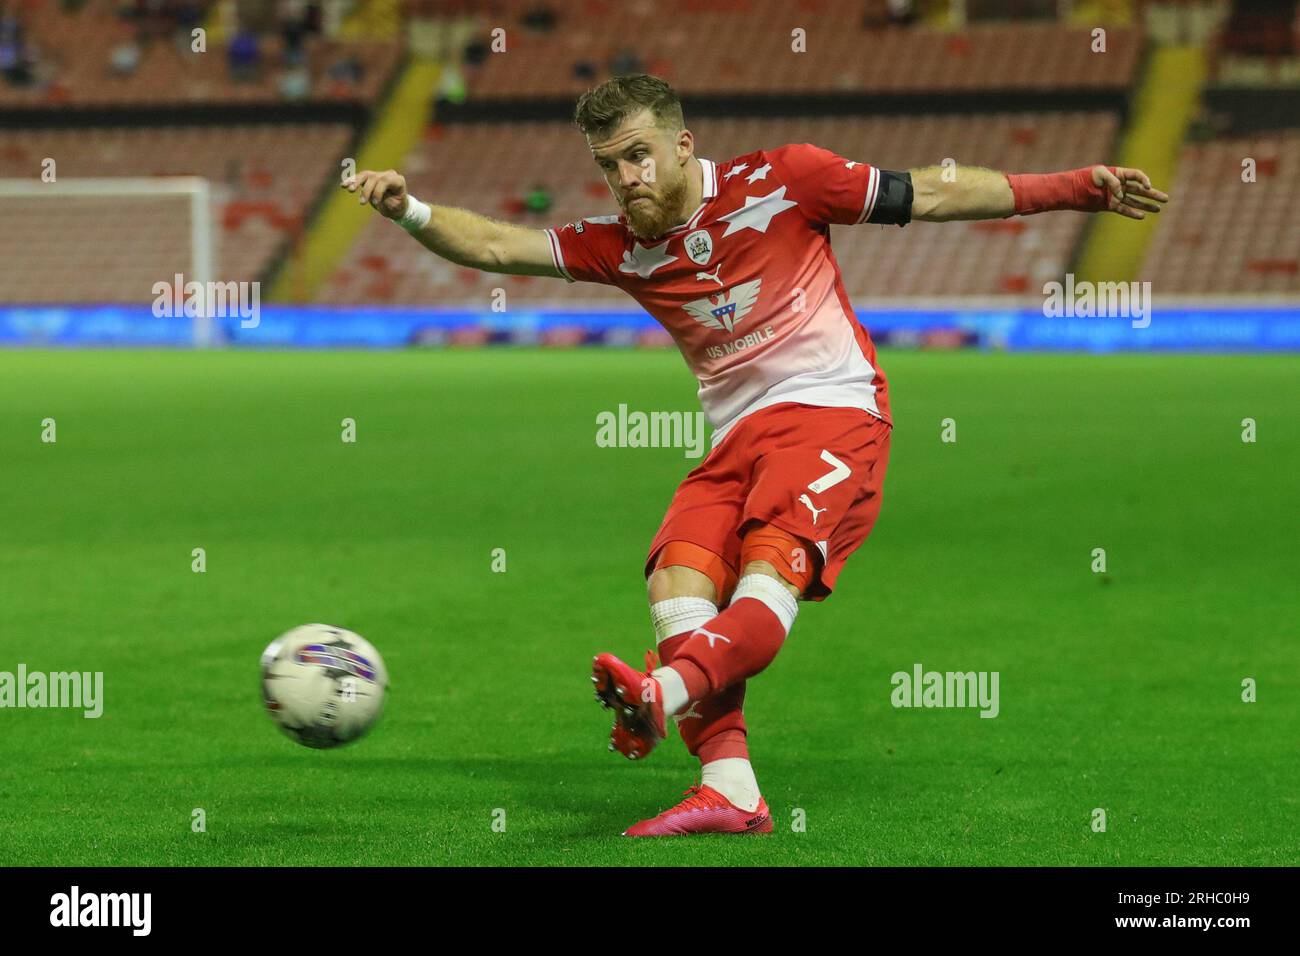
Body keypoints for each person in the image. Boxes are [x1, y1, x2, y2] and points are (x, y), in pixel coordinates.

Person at [343, 73, 1168, 836]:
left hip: (831, 414)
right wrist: (409, 210)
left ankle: (659, 694)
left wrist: (1074, 188)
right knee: (676, 581)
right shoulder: (619, 246)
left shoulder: (787, 180)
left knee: (770, 573)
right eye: (609, 164)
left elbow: (933, 192)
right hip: (734, 439)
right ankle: (731, 789)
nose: (626, 177)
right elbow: (493, 246)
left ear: (683, 145)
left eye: (638, 155)